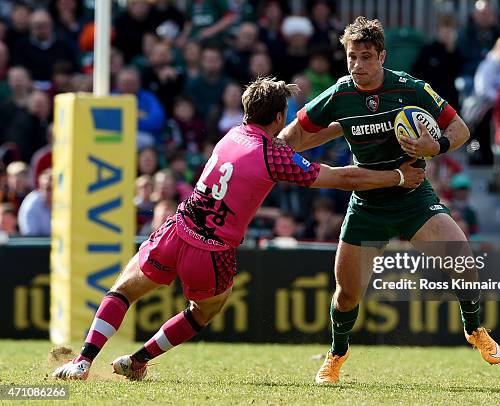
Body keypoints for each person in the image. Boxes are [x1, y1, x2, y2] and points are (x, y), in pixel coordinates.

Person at [51, 77, 423, 381]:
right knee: (203, 311)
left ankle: (82, 362)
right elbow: (340, 178)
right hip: (212, 250)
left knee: (123, 290)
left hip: (178, 228)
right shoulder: (274, 155)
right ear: (279, 117)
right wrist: (396, 175)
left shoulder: (231, 134)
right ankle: (138, 359)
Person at [279, 17, 500, 384]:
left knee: (462, 260)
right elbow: (295, 135)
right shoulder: (340, 93)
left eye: (366, 57)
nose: (357, 65)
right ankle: (337, 354)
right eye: (352, 57)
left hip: (413, 196)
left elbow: (460, 129)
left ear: (382, 56)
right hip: (367, 203)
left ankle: (474, 328)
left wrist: (438, 146)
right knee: (347, 295)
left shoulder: (411, 87)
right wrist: (271, 149)